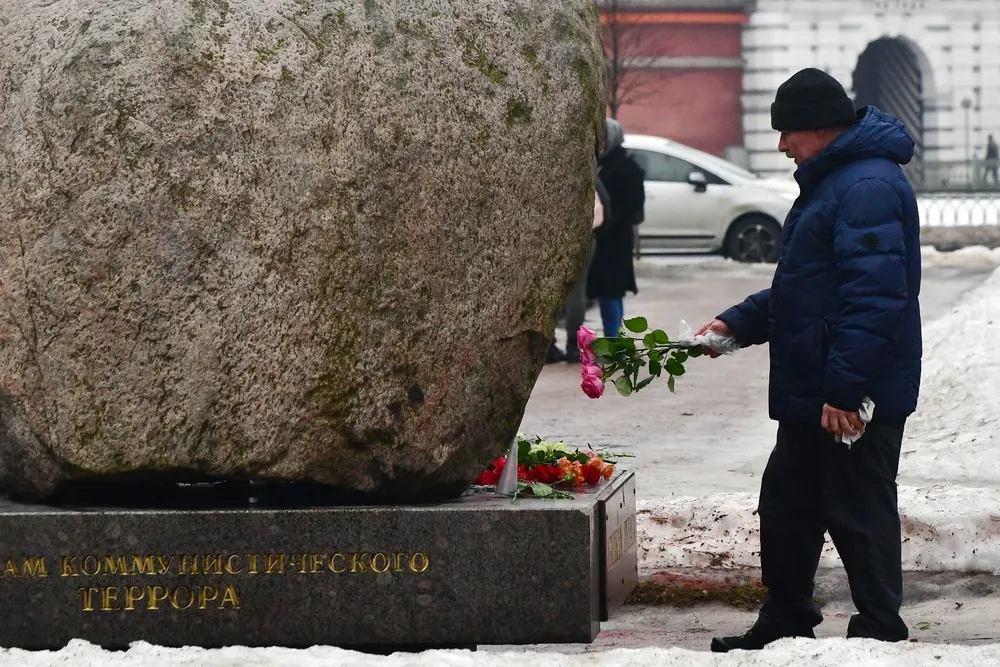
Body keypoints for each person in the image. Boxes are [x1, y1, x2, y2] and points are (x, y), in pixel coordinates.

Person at [696, 68, 923, 653]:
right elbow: (809, 287)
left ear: (820, 128)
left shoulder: (865, 186)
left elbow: (873, 300)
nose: (780, 144)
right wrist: (738, 322)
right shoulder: (833, 181)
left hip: (848, 393)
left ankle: (878, 628)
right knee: (789, 503)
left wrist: (846, 391)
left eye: (787, 132)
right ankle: (788, 612)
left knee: (858, 508)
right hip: (813, 386)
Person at [587, 118, 645, 338]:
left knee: (610, 290)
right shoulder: (602, 162)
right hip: (605, 238)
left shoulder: (625, 167)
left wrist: (609, 218)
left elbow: (632, 203)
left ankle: (614, 338)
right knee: (606, 291)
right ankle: (613, 337)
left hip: (615, 239)